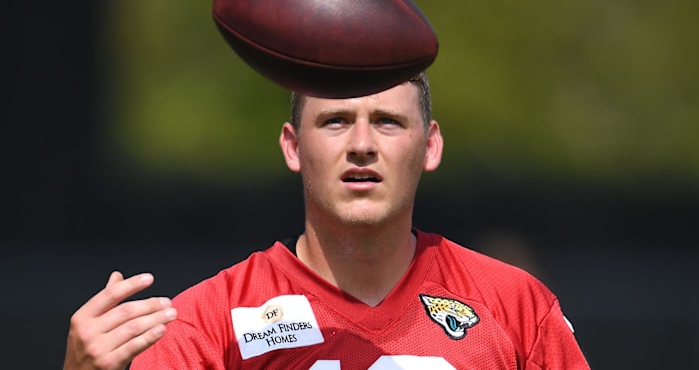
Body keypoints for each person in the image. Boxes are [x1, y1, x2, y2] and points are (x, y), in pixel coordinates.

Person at [63, 72, 591, 369]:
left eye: (387, 122)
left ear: (429, 146)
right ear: (293, 147)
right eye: (335, 121)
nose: (361, 145)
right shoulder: (207, 324)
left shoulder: (517, 309)